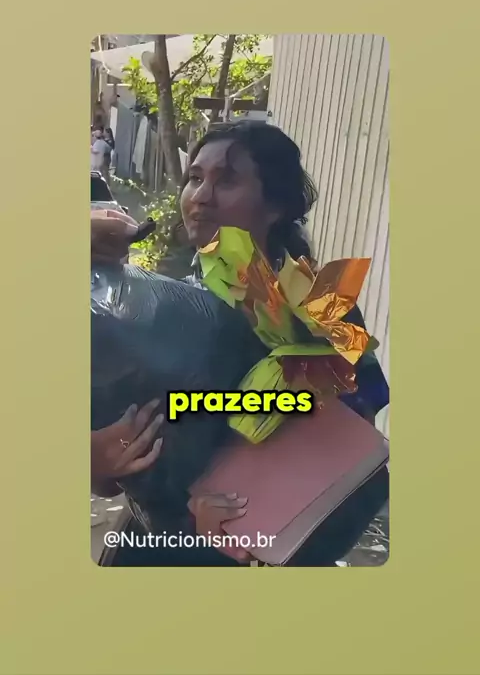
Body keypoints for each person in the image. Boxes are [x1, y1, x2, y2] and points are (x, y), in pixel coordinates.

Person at [91, 121, 389, 565]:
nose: (201, 196)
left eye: (226, 180)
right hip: (153, 542)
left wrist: (240, 493)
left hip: (263, 545)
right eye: (195, 178)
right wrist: (99, 460)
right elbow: (113, 463)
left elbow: (357, 425)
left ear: (275, 205)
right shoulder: (163, 294)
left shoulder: (322, 304)